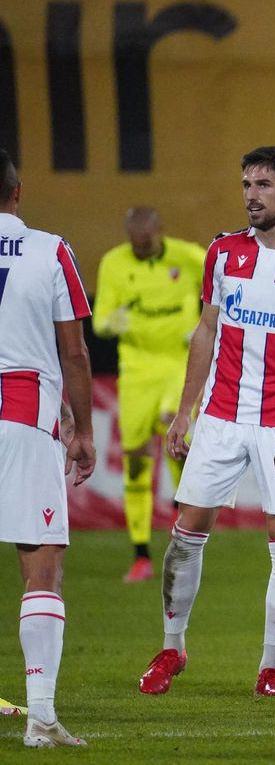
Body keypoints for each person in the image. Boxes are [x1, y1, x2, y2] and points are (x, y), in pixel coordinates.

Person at [136, 146, 275, 698]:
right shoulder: (222, 252)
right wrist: (185, 411)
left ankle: (270, 667)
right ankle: (172, 647)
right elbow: (206, 332)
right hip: (220, 415)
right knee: (186, 536)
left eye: (263, 185)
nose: (251, 195)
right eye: (245, 184)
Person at [0, 148, 97, 747]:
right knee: (41, 567)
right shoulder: (49, 248)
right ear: (18, 191)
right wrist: (82, 430)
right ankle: (41, 716)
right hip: (23, 416)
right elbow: (76, 353)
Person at [93, 205, 206, 582]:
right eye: (135, 245)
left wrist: (210, 322)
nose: (141, 249)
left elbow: (228, 281)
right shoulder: (114, 263)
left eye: (147, 242)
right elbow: (100, 319)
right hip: (137, 370)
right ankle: (141, 553)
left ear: (160, 232)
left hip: (179, 364)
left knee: (177, 434)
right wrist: (113, 321)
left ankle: (185, 534)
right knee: (137, 458)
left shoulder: (189, 257)